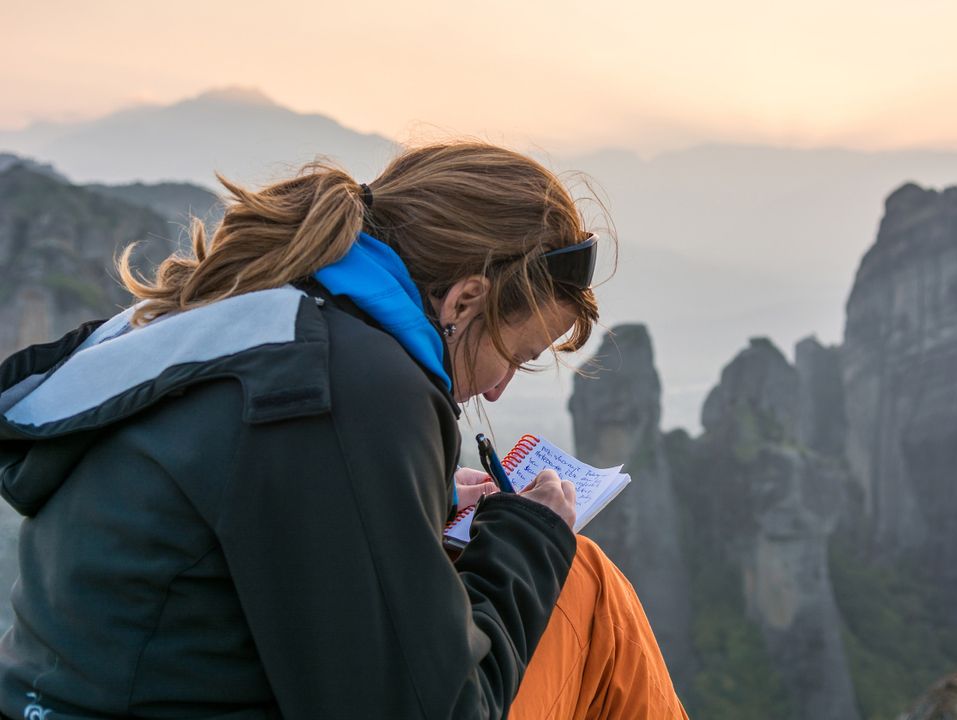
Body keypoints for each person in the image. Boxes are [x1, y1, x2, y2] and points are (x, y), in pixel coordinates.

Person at [0, 142, 687, 719]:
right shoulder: (348, 387)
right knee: (581, 581)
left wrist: (415, 498)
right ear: (468, 298)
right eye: (515, 355)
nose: (500, 388)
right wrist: (530, 537)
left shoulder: (256, 318)